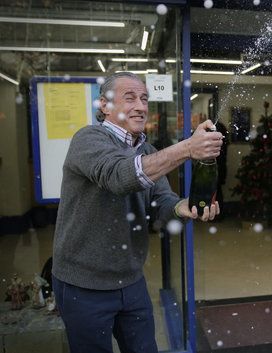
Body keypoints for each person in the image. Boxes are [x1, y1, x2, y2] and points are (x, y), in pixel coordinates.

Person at [51, 71, 223, 353]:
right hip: (83, 285)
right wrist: (188, 148)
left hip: (130, 281)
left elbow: (161, 203)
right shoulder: (88, 139)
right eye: (129, 98)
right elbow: (120, 177)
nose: (141, 106)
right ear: (104, 106)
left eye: (144, 99)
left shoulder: (147, 149)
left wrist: (182, 207)